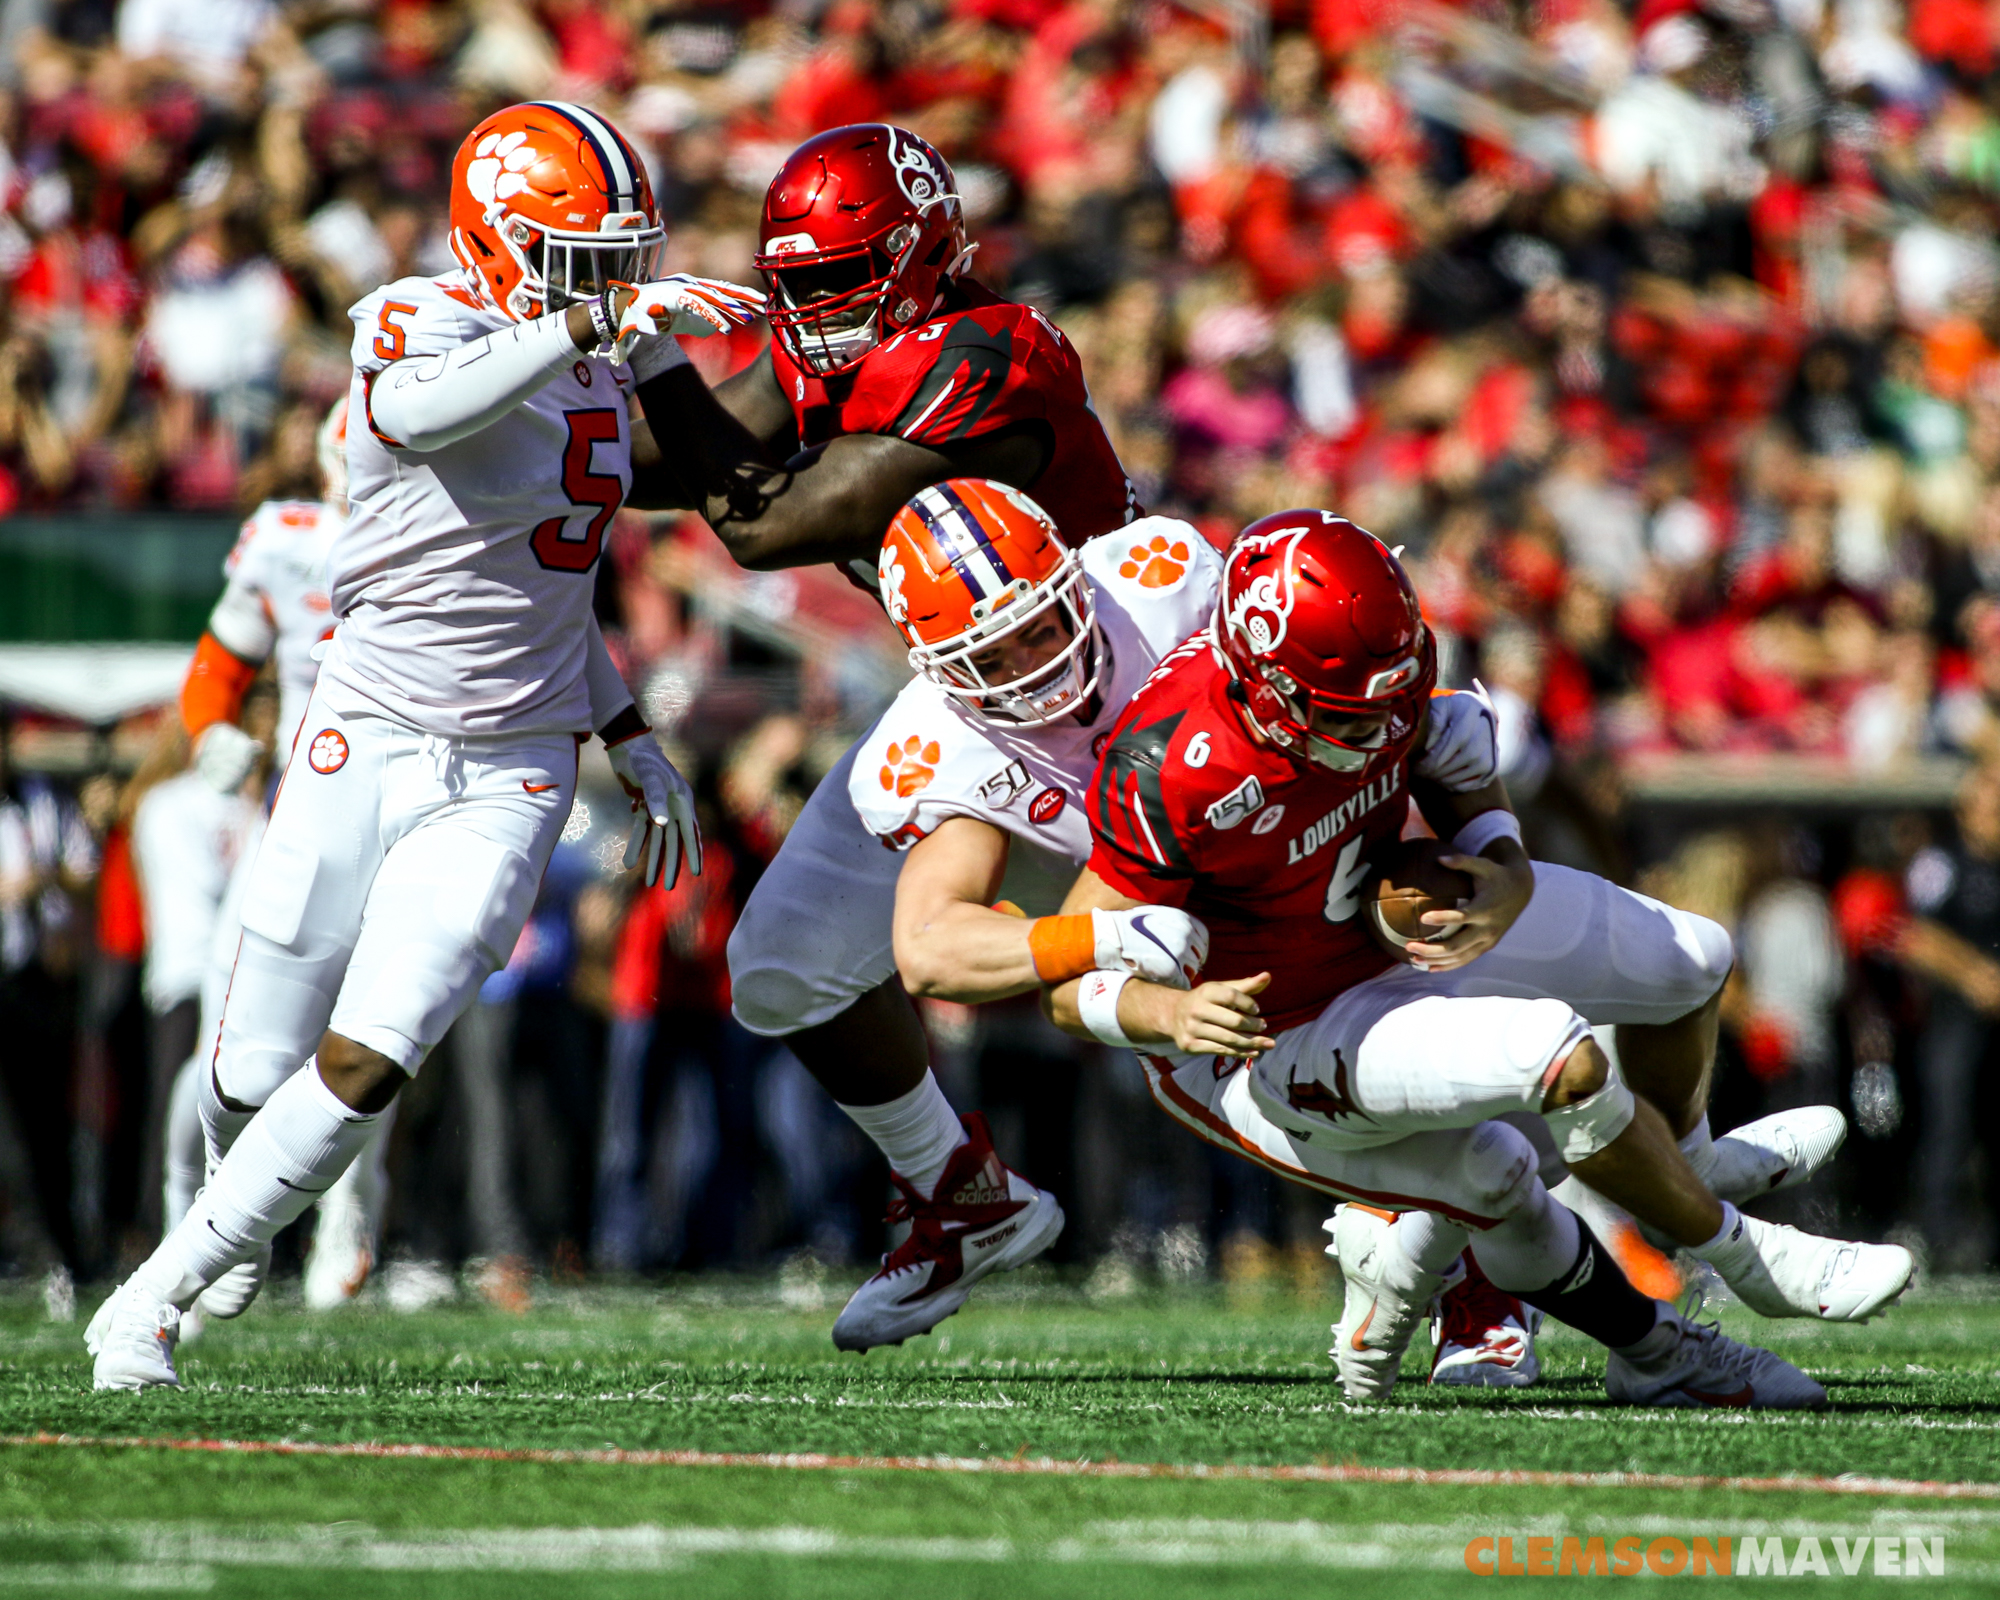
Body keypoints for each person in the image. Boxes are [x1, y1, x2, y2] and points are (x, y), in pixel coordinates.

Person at [86, 99, 745, 1388]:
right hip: (364, 732)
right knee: (244, 1074)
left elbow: (556, 591)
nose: (613, 281)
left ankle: (146, 1300)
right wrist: (579, 327)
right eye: (582, 255)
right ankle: (209, 1204)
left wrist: (627, 731)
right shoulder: (417, 317)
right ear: (496, 240)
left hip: (509, 766)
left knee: (373, 1053)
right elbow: (420, 415)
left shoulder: (602, 357)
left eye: (626, 257)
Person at [1042, 512, 1910, 1405]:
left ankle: (1681, 1168)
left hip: (1395, 945)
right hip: (1279, 1030)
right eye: (1355, 713)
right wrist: (1174, 1012)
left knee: (1692, 957)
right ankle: (1735, 1252)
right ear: (1267, 686)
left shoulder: (1378, 673)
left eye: (1398, 691)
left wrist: (1503, 878)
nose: (1384, 725)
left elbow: (1468, 786)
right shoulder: (1172, 768)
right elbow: (1071, 988)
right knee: (1545, 1081)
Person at [627, 124, 1142, 1347]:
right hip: (971, 702)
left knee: (1249, 1006)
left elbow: (762, 520)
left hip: (1118, 705)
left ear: (923, 256)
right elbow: (690, 451)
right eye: (790, 283)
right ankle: (962, 1196)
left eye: (832, 278)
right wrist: (525, 428)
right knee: (782, 968)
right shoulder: (844, 341)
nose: (803, 311)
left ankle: (1486, 1269)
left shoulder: (987, 355)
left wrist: (648, 358)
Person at [158, 397, 399, 1316]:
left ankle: (346, 1207)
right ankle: (194, 1207)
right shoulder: (288, 541)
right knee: (225, 1038)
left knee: (379, 1028)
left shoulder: (450, 540)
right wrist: (208, 730)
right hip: (294, 816)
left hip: (392, 820)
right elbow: (218, 665)